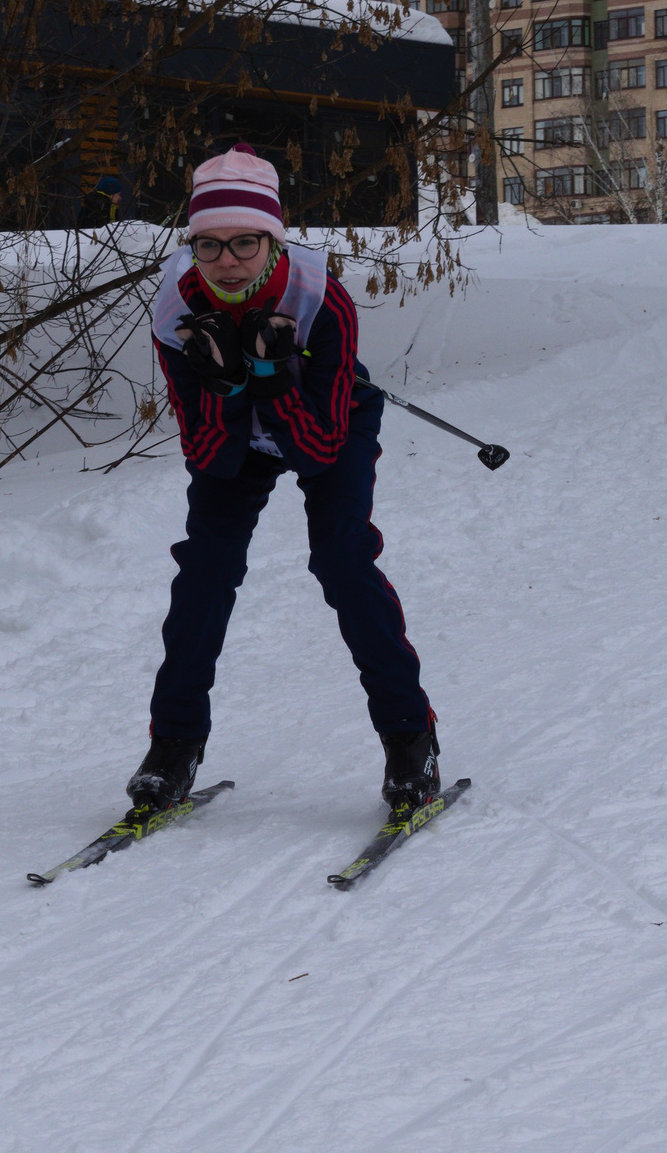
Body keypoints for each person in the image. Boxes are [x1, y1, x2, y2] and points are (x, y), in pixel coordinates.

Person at [133, 142, 440, 819]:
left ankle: (410, 740)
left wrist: (272, 381)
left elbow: (320, 450)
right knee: (204, 570)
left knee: (341, 559)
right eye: (208, 246)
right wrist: (230, 388)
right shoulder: (174, 311)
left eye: (245, 242)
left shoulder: (319, 299)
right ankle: (174, 746)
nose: (227, 262)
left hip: (327, 425)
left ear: (274, 241)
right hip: (235, 433)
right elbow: (208, 454)